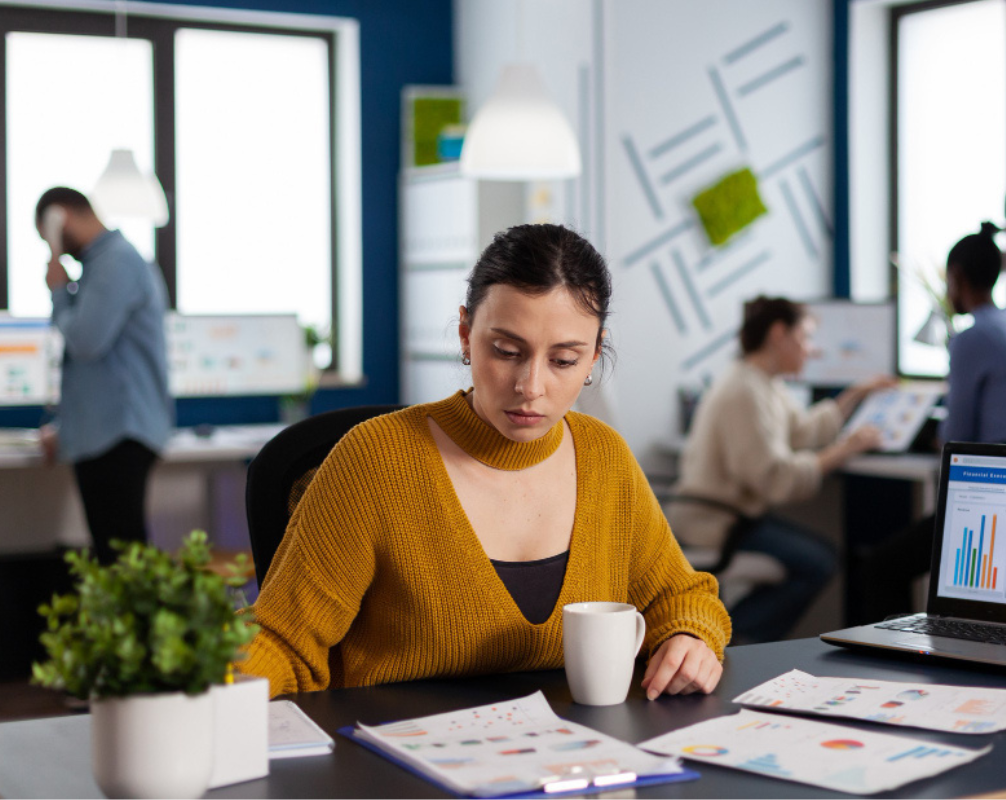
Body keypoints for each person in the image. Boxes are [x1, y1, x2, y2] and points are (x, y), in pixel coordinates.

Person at [241, 224, 731, 698]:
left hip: (569, 767)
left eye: (563, 361)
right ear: (464, 333)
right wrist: (204, 688)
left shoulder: (604, 458)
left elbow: (681, 598)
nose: (530, 387)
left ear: (594, 353)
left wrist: (689, 637)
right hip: (397, 768)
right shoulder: (373, 461)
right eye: (505, 350)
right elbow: (283, 640)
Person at [851, 222, 1006, 623]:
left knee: (880, 567)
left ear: (956, 277)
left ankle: (891, 665)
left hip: (996, 496)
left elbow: (956, 440)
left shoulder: (971, 339)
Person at [666, 297, 890, 644]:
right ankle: (726, 638)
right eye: (806, 337)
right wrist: (844, 450)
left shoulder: (763, 382)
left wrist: (856, 394)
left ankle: (728, 635)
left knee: (819, 556)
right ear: (779, 333)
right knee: (819, 562)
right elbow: (776, 480)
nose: (811, 350)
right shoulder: (745, 391)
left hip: (734, 516)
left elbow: (803, 430)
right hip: (718, 522)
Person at [34, 187, 173, 565]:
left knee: (122, 562)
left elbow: (86, 340)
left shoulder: (117, 262)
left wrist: (59, 289)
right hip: (108, 435)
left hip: (119, 438)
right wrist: (65, 428)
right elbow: (99, 374)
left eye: (51, 235)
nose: (56, 247)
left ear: (61, 218)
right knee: (116, 560)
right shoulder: (102, 266)